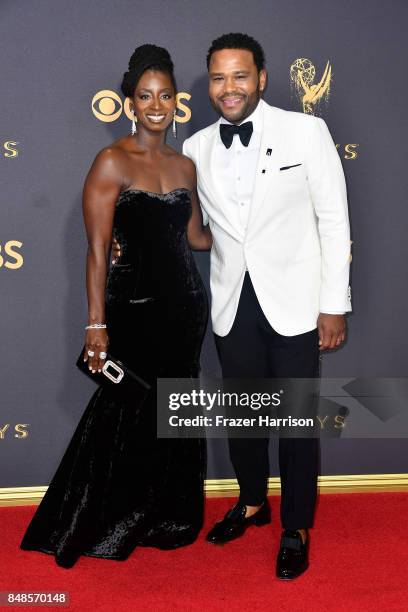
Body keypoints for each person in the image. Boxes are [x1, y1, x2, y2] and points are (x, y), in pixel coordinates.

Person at [114, 33, 352, 580]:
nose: (229, 88)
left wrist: (332, 304)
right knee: (244, 419)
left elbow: (334, 220)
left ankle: (295, 525)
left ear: (261, 79)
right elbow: (183, 221)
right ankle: (251, 502)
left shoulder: (306, 131)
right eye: (218, 78)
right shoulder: (195, 147)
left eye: (240, 76)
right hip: (229, 303)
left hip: (295, 303)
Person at [20, 44, 211, 569]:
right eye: (145, 96)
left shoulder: (185, 165)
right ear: (129, 103)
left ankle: (168, 515)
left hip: (185, 309)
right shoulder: (111, 161)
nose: (156, 105)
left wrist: (255, 231)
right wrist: (96, 323)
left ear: (176, 103)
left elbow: (196, 237)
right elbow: (98, 250)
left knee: (175, 409)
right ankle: (105, 517)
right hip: (133, 309)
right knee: (126, 410)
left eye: (165, 96)